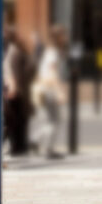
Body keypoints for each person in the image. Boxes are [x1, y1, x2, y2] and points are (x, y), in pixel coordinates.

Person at [32, 25, 67, 159]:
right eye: (63, 35)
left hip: (43, 88)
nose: (65, 38)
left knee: (50, 120)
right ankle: (45, 147)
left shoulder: (49, 51)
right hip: (49, 90)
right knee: (54, 120)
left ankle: (36, 141)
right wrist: (60, 92)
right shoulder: (53, 53)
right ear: (58, 37)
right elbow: (52, 74)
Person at [2, 27, 32, 156]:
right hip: (17, 90)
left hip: (20, 89)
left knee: (19, 118)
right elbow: (10, 71)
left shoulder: (14, 51)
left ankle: (19, 146)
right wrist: (13, 87)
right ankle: (15, 146)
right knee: (14, 119)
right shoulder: (13, 51)